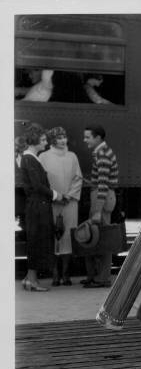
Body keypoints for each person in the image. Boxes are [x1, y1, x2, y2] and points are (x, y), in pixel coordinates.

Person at [19, 124, 62, 291]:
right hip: (38, 206)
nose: (45, 143)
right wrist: (57, 195)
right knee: (37, 241)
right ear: (35, 141)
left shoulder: (30, 158)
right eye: (43, 140)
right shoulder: (29, 158)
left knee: (35, 240)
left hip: (37, 205)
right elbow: (37, 185)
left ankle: (29, 279)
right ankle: (32, 281)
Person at [40, 127, 83, 286]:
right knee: (52, 236)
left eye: (64, 137)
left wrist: (69, 196)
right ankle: (55, 275)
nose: (63, 140)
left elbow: (78, 178)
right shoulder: (43, 156)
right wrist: (56, 196)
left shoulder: (72, 156)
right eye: (59, 138)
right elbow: (42, 181)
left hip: (69, 203)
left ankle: (66, 275)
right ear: (52, 140)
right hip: (52, 202)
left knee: (68, 238)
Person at [82, 124, 119, 288]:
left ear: (98, 138)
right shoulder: (102, 152)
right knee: (99, 237)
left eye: (87, 137)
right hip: (101, 196)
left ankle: (102, 278)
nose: (85, 140)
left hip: (101, 198)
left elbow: (103, 185)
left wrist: (97, 210)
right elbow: (103, 180)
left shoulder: (102, 154)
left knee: (102, 238)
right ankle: (98, 276)